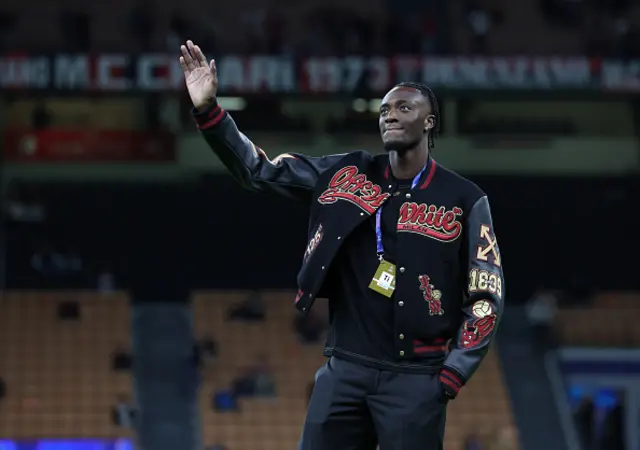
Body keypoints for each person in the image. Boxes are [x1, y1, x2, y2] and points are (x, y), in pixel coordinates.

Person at [180, 40, 505, 450]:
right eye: (384, 110)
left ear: (430, 122)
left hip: (416, 379)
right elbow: (258, 171)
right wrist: (210, 111)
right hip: (345, 370)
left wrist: (452, 373)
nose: (390, 115)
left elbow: (486, 295)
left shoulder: (464, 199)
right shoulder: (346, 173)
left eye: (403, 108)